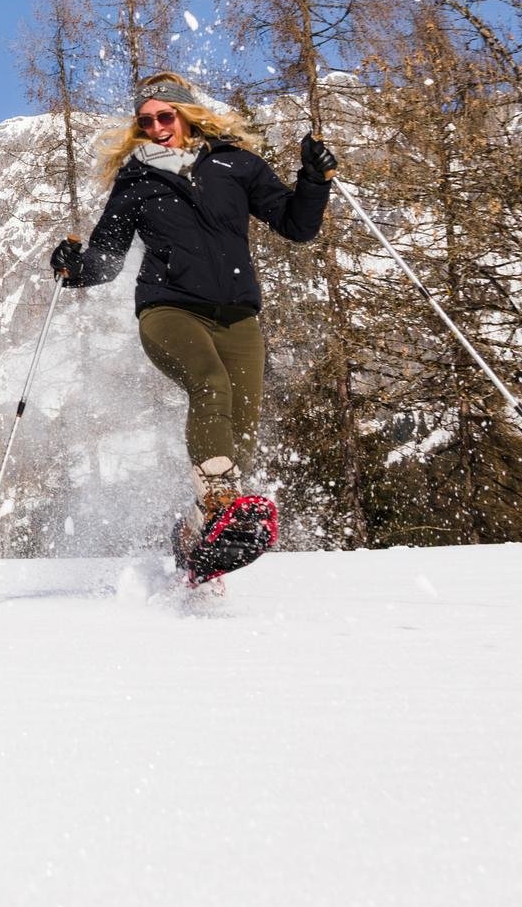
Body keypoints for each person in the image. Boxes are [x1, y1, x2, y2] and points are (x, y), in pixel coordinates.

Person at [48, 72, 335, 579]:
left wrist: (313, 181)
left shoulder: (235, 165)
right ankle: (223, 503)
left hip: (238, 316)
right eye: (146, 122)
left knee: (241, 421)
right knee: (210, 384)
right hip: (168, 309)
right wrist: (73, 267)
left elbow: (296, 225)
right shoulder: (136, 180)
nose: (157, 128)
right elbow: (107, 260)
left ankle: (197, 529)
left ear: (187, 115)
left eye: (165, 117)